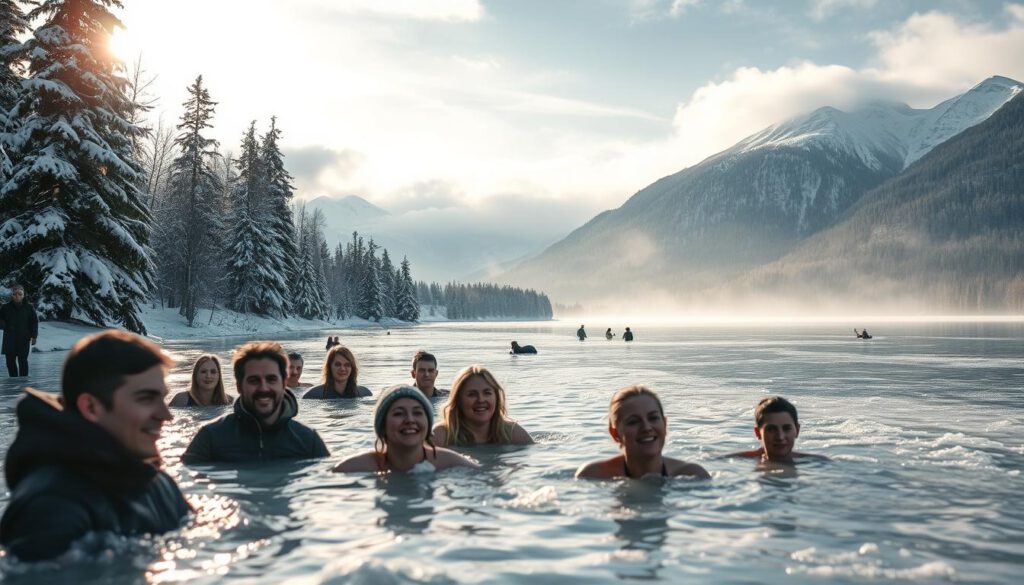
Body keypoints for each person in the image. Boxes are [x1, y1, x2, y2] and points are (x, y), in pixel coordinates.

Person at [0, 330, 190, 561]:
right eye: (146, 398)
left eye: (162, 397)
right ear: (91, 407)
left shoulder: (160, 484)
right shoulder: (50, 507)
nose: (166, 415)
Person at [182, 341, 329, 463]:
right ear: (239, 386)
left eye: (271, 379)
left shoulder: (308, 441)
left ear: (284, 383)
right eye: (254, 380)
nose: (263, 388)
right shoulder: (210, 439)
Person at [333, 385, 478, 473]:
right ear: (382, 426)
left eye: (417, 413)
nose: (410, 420)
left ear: (428, 424)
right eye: (398, 413)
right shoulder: (352, 468)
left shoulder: (452, 463)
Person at [576, 385, 710, 480]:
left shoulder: (693, 475)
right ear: (615, 433)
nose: (646, 427)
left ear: (665, 424)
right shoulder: (592, 476)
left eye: (653, 418)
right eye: (633, 422)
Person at [432, 365, 533, 446]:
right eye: (472, 394)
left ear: (496, 398)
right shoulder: (440, 436)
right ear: (458, 400)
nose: (481, 400)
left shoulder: (512, 432)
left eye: (487, 393)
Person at [722, 396, 828, 465]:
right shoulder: (734, 462)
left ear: (797, 430)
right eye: (771, 429)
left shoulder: (819, 463)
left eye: (786, 428)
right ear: (758, 433)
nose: (780, 437)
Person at [304, 345, 372, 398]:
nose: (342, 369)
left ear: (352, 368)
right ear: (329, 367)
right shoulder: (313, 395)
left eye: (347, 365)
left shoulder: (364, 393)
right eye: (337, 364)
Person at [0, 284, 38, 377]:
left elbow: (34, 322)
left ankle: (23, 382)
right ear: (12, 295)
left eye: (20, 294)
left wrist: (34, 336)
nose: (17, 296)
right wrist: (3, 324)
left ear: (23, 295)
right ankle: (13, 382)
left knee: (23, 361)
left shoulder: (29, 307)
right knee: (10, 362)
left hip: (24, 338)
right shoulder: (5, 308)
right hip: (9, 338)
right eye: (15, 294)